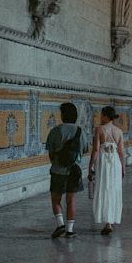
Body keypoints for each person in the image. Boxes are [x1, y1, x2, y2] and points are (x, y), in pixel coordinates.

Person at [45, 102, 88, 238]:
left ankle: (60, 224)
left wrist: (58, 163)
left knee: (56, 199)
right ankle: (70, 230)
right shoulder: (81, 132)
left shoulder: (56, 131)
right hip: (74, 171)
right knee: (71, 200)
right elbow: (84, 151)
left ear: (63, 115)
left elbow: (51, 153)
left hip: (58, 171)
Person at [89, 105, 125, 235]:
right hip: (115, 162)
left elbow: (96, 150)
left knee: (104, 187)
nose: (100, 117)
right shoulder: (119, 131)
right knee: (113, 188)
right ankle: (110, 221)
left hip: (104, 161)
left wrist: (90, 166)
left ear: (105, 116)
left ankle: (107, 223)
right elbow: (121, 152)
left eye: (101, 115)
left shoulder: (99, 129)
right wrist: (123, 168)